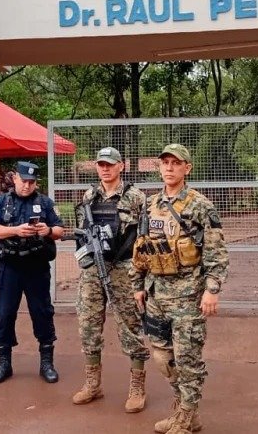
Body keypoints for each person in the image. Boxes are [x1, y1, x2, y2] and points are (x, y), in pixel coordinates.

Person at [131, 144, 229, 434]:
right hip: (157, 294)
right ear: (159, 167)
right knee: (162, 356)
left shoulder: (200, 205)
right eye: (165, 163)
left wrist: (212, 290)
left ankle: (186, 416)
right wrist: (138, 285)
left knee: (187, 358)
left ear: (188, 168)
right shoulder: (150, 204)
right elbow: (142, 249)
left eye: (176, 163)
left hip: (188, 296)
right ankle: (185, 405)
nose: (169, 168)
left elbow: (216, 252)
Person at [71, 147, 150, 412]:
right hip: (94, 268)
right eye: (101, 165)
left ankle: (137, 386)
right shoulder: (89, 196)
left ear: (121, 166)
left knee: (130, 325)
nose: (105, 169)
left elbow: (145, 237)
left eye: (110, 164)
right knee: (88, 323)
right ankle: (93, 383)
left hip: (124, 268)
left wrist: (141, 273)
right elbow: (82, 230)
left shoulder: (136, 197)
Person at [0, 161, 64, 384]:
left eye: (31, 182)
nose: (27, 186)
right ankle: (4, 363)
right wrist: (15, 230)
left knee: (42, 312)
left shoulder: (45, 202)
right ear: (15, 179)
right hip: (10, 268)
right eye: (23, 181)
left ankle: (47, 362)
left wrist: (47, 230)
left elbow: (60, 229)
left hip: (37, 267)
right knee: (5, 313)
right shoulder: (1, 201)